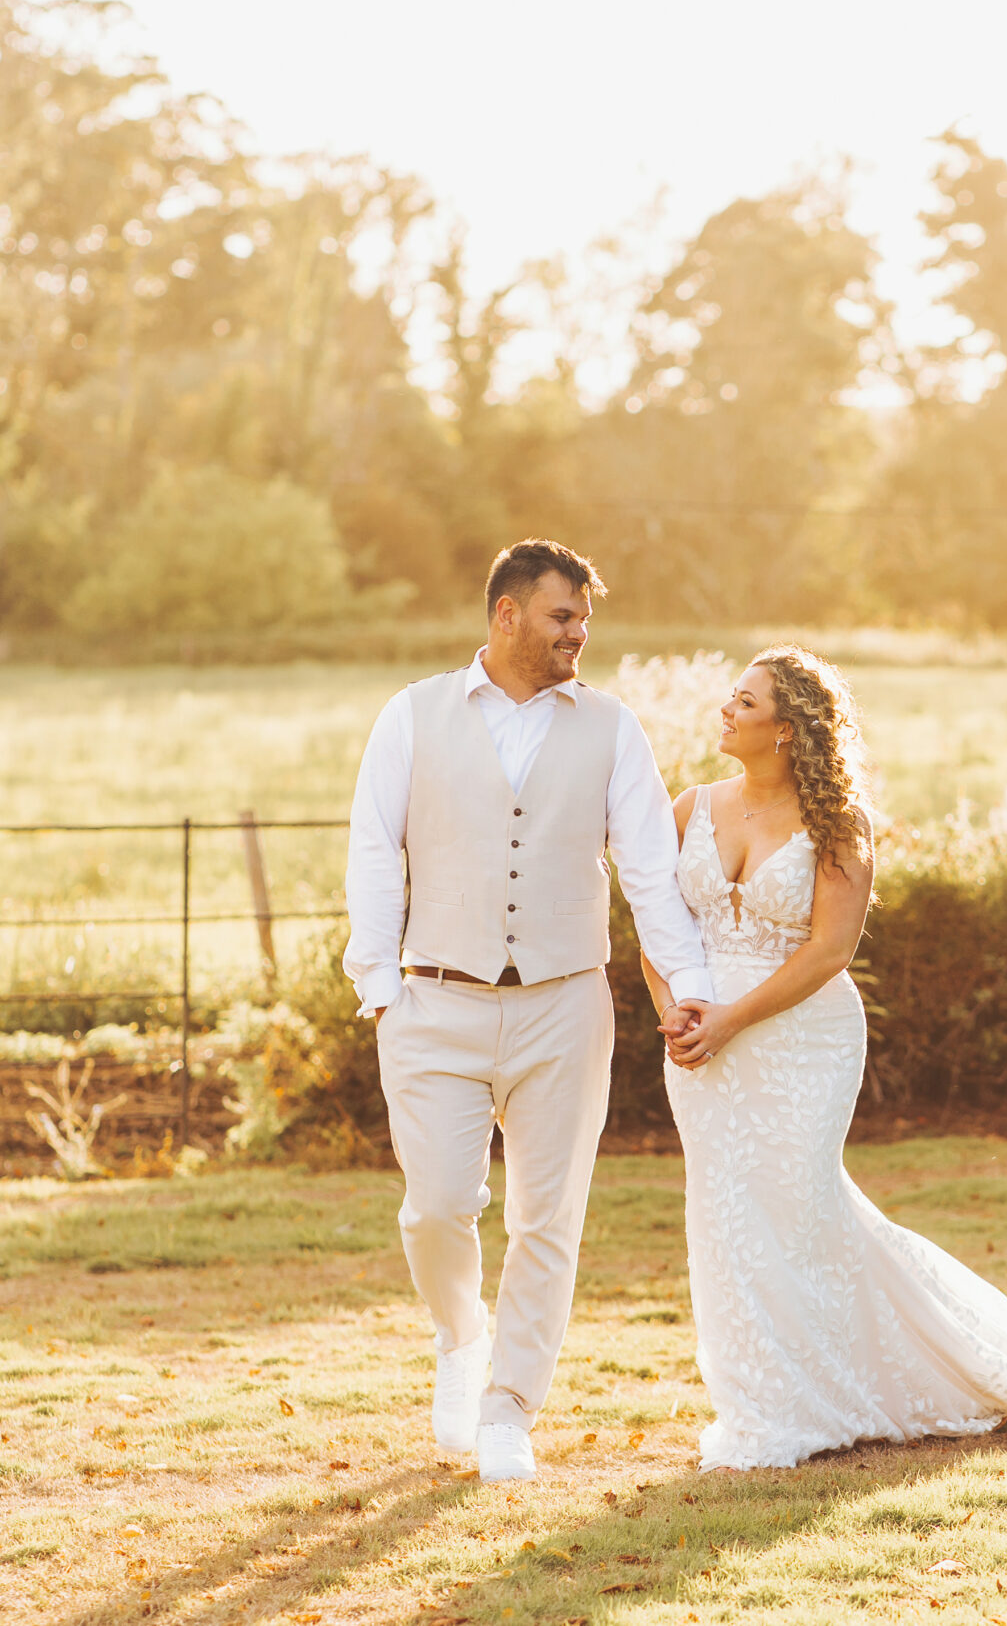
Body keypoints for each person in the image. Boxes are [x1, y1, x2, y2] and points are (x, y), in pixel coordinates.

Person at [652, 647, 1007, 1470]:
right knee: (727, 1215)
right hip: (704, 1047)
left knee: (800, 1206)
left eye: (743, 700)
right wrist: (676, 1014)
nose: (724, 708)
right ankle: (765, 1395)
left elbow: (829, 950)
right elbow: (659, 926)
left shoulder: (838, 822)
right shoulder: (687, 808)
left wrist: (732, 1017)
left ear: (785, 730)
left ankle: (838, 1388)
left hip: (801, 1038)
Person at [343, 539, 715, 1484]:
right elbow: (375, 851)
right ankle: (462, 1338)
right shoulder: (413, 714)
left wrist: (688, 989)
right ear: (506, 614)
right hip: (433, 1000)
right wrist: (380, 987)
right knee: (435, 1208)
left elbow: (650, 874)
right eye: (562, 617)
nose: (578, 634)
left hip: (564, 1005)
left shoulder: (610, 726)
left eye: (584, 619)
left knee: (549, 1216)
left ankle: (510, 1407)